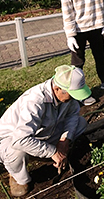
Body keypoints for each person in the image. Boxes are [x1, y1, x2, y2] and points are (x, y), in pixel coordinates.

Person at [0, 65, 91, 197]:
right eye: (72, 95)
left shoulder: (66, 96)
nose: (74, 99)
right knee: (17, 152)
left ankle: (50, 155)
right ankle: (16, 175)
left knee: (80, 123)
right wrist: (53, 151)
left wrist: (65, 140)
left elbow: (72, 115)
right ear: (57, 88)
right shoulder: (34, 101)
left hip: (40, 134)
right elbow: (20, 139)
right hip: (12, 140)